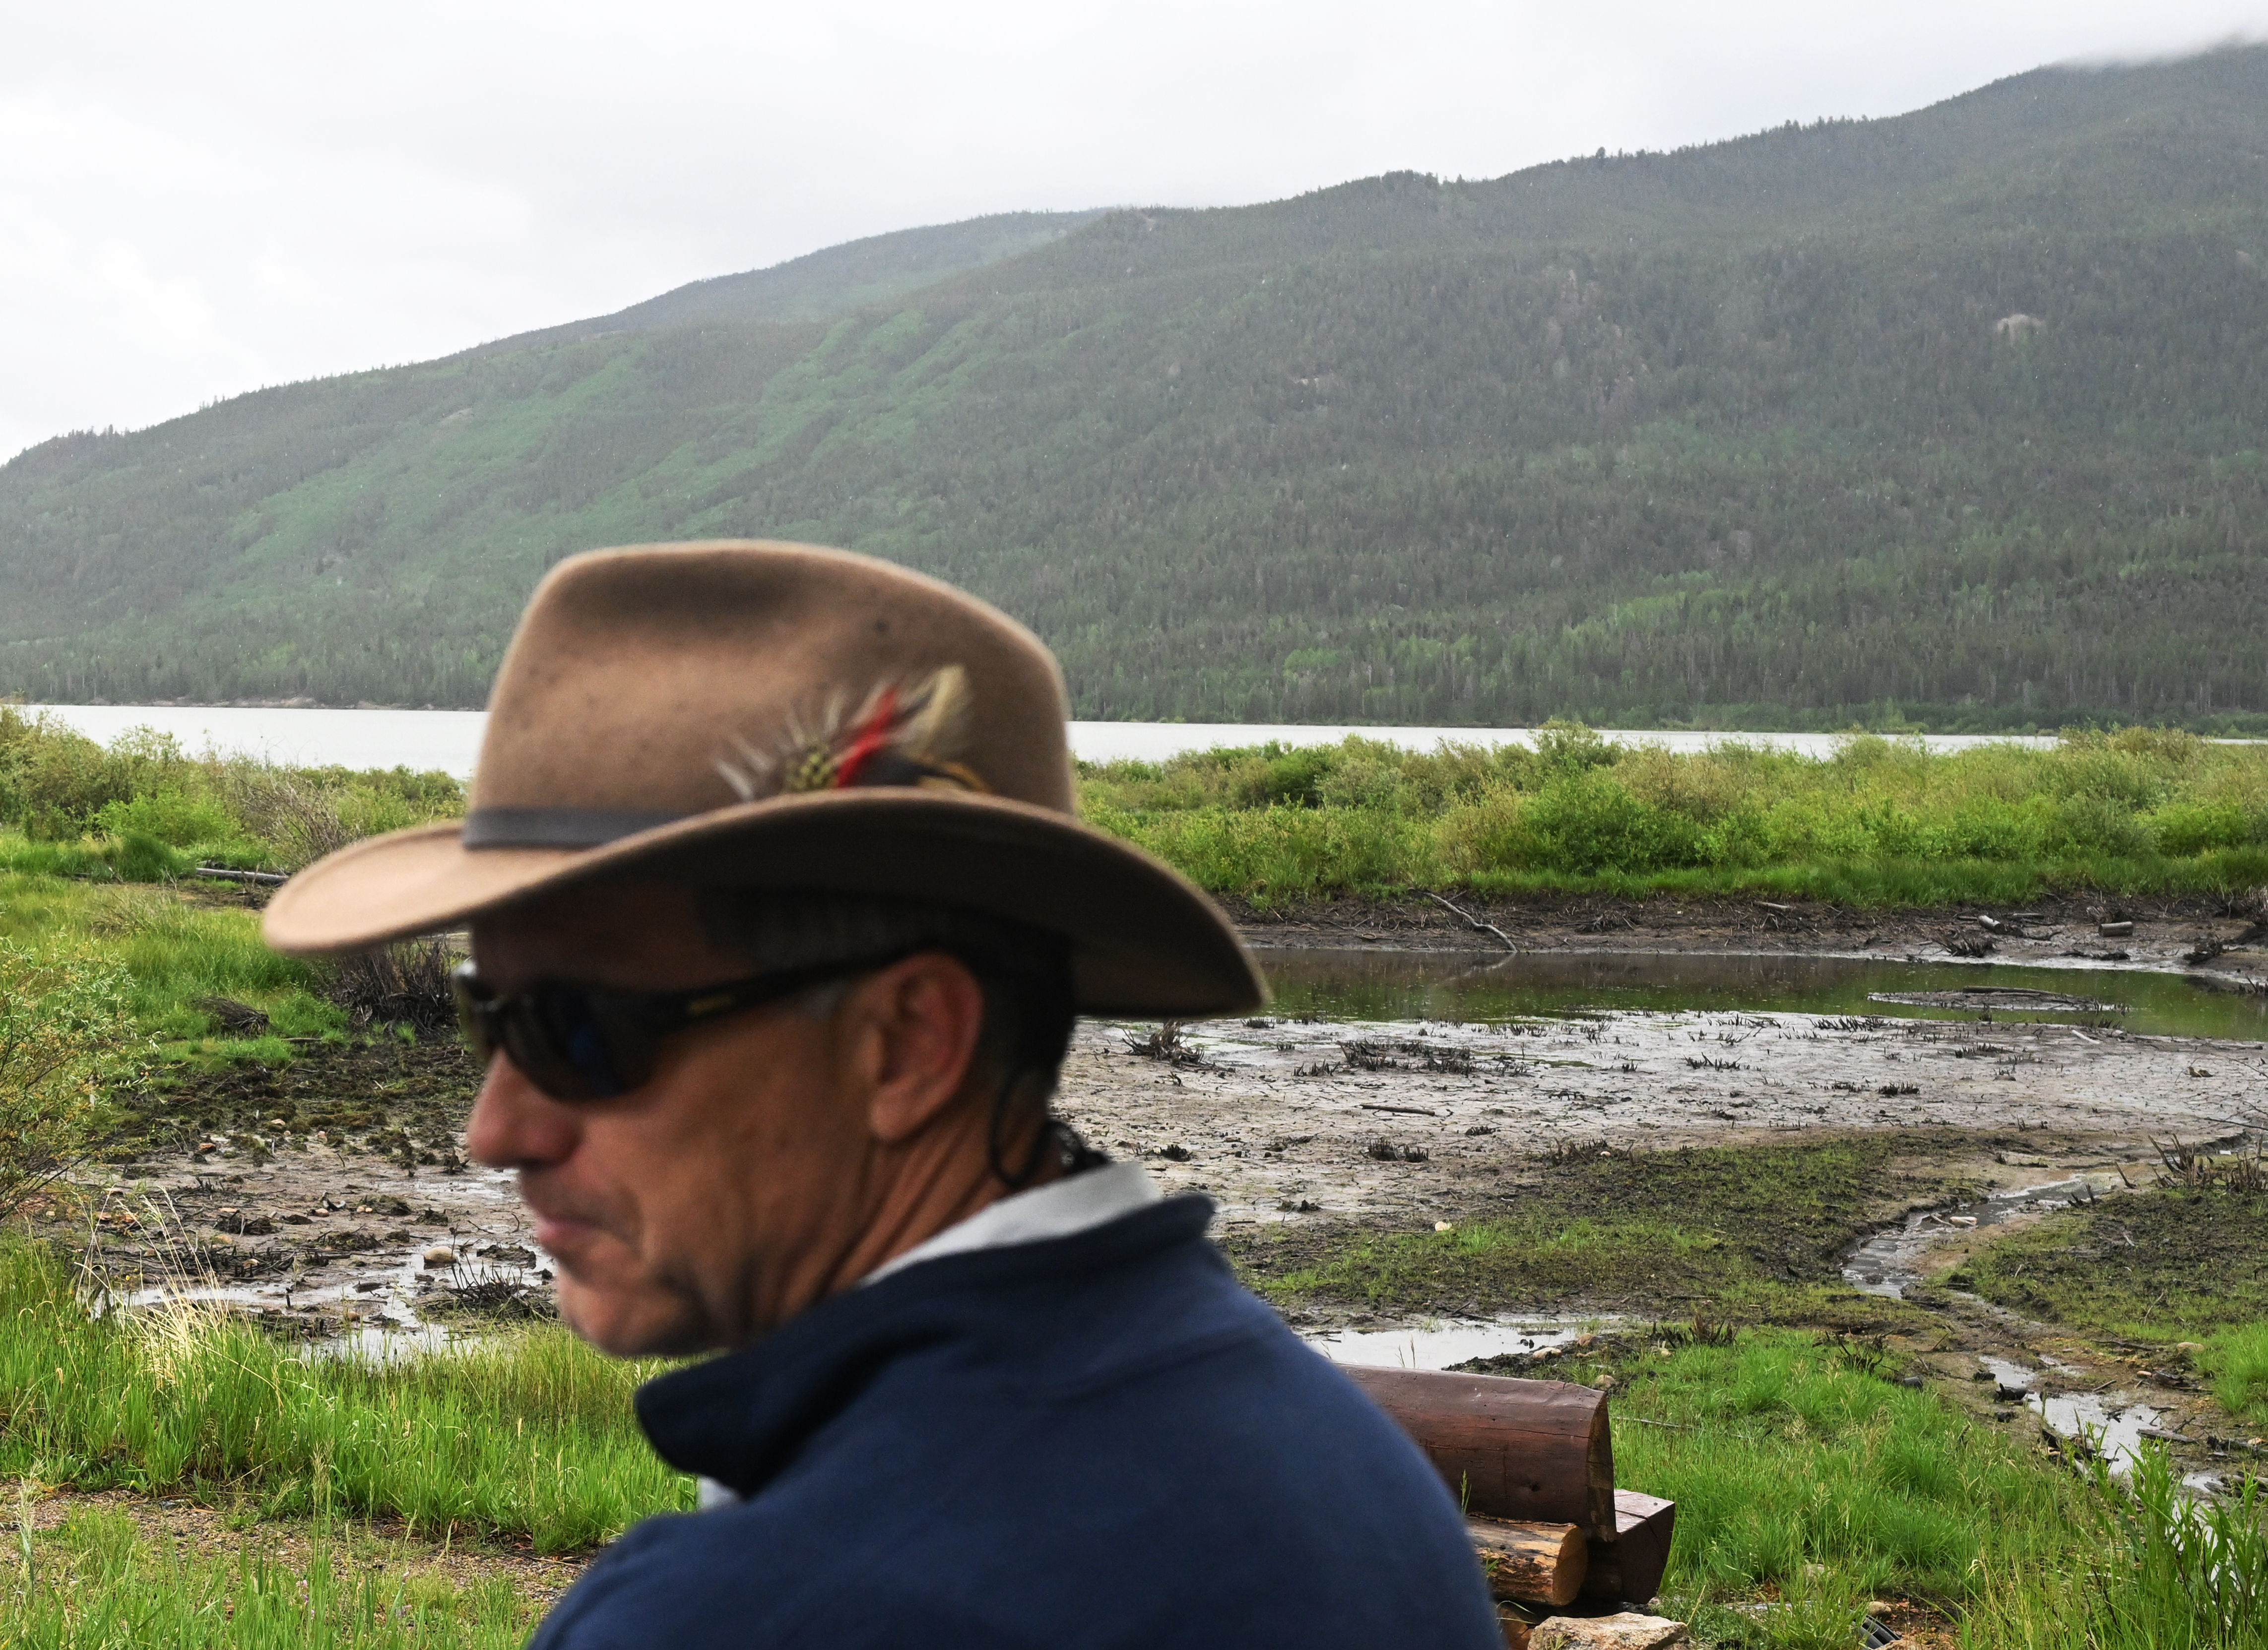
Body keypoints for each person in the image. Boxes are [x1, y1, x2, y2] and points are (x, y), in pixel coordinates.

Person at [265, 541, 1503, 1648]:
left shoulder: (755, 1612)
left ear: (909, 1043)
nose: (496, 1132)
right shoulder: (1346, 1471)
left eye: (579, 1031)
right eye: (492, 1017)